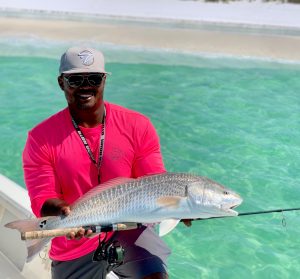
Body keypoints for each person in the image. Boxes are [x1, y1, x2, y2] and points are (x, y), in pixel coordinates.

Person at [23, 46, 172, 279]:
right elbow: (41, 199)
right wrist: (66, 214)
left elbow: (155, 183)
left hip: (129, 229)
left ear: (104, 80)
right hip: (73, 240)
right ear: (61, 82)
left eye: (93, 78)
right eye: (75, 79)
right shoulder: (40, 138)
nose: (85, 86)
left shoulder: (138, 125)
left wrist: (184, 206)